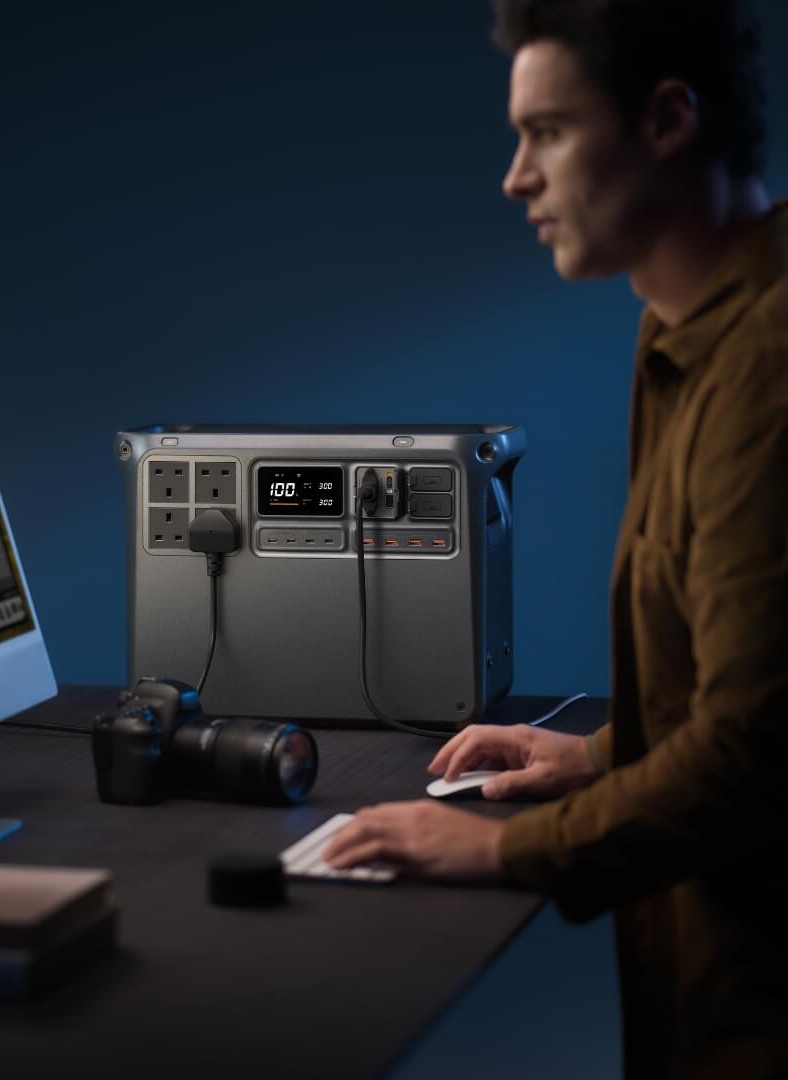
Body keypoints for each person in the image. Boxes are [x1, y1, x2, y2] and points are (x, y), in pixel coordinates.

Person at [323, 1, 787, 1076]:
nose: (516, 179)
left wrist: (503, 850)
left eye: (549, 132)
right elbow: (750, 691)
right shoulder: (677, 330)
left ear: (669, 120)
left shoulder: (767, 362)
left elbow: (756, 758)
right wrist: (595, 756)